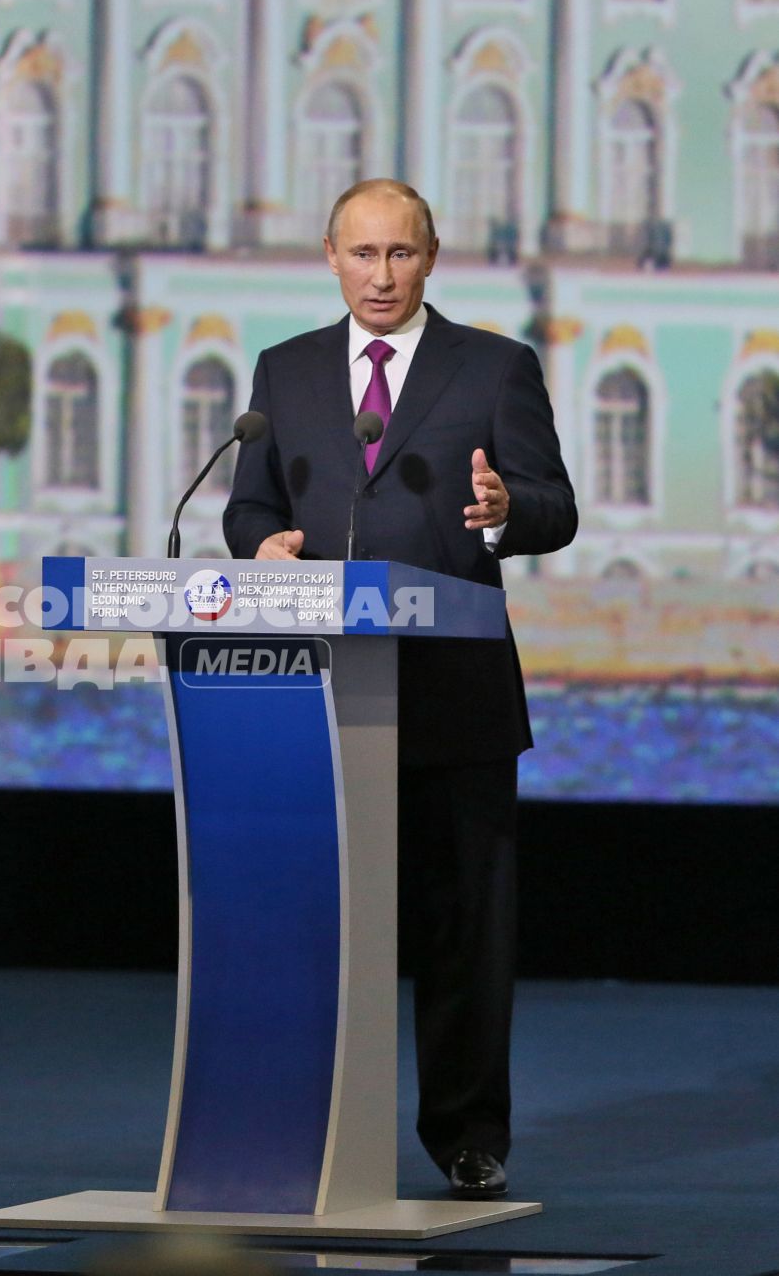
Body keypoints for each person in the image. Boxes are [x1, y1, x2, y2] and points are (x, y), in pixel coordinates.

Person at [223, 178, 577, 1201]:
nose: (382, 276)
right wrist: (265, 545)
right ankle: (305, 1123)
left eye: (401, 255)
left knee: (464, 928)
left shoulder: (495, 367)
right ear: (331, 256)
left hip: (455, 692)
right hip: (319, 695)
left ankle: (468, 1133)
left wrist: (509, 508)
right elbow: (252, 506)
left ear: (432, 256)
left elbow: (555, 505)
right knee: (317, 925)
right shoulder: (283, 371)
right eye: (363, 254)